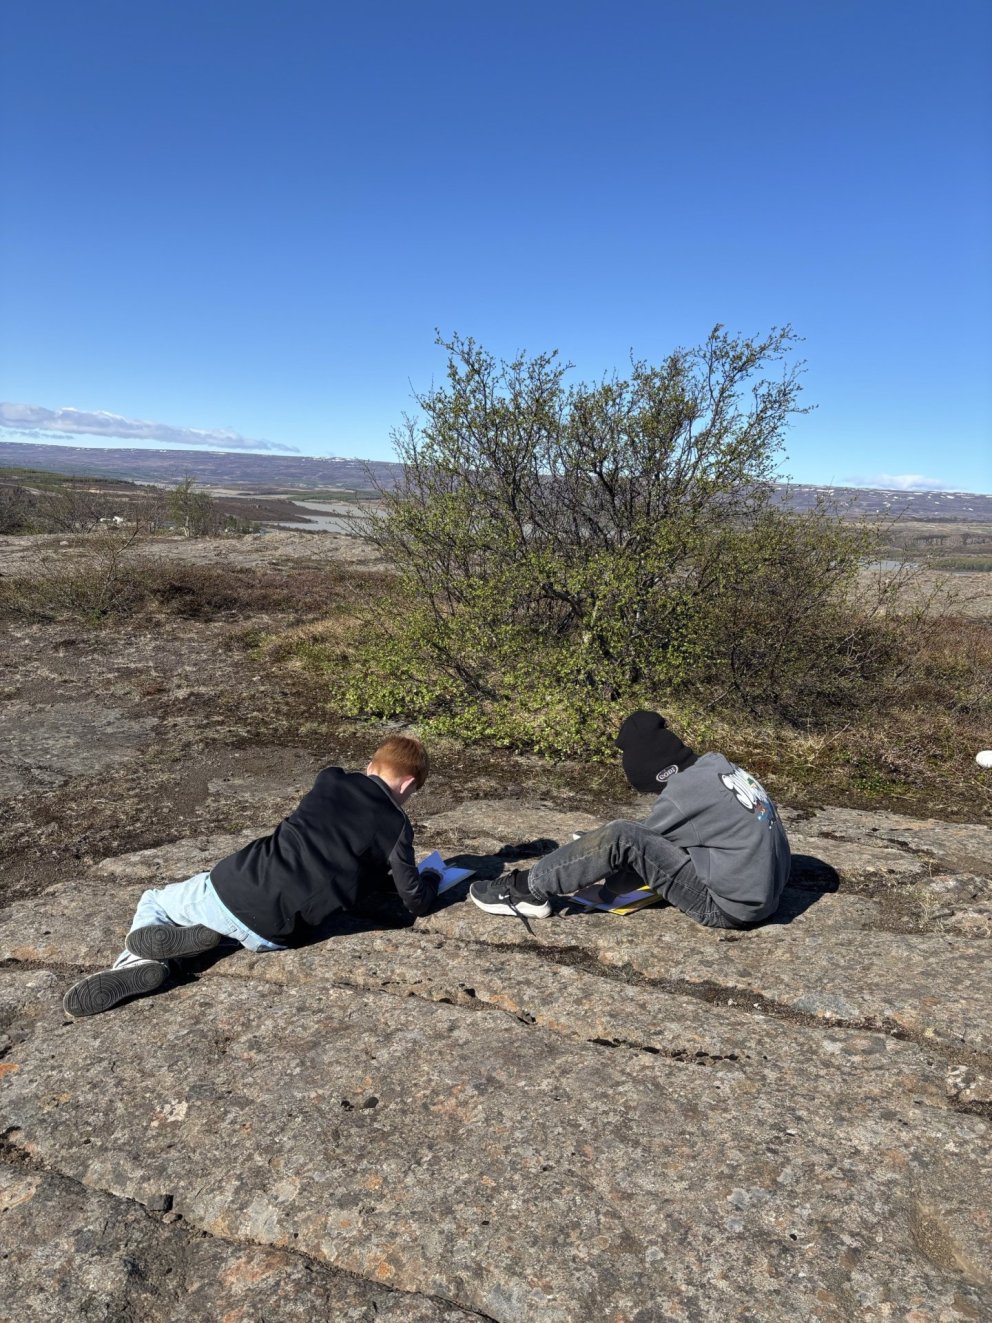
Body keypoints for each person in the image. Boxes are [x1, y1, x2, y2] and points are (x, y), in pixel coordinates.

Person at [63, 736, 438, 1017]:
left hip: (235, 885)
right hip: (275, 932)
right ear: (407, 785)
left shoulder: (332, 780)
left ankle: (139, 965)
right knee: (235, 930)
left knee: (155, 900)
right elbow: (414, 900)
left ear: (372, 766)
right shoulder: (397, 827)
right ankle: (188, 952)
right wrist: (431, 881)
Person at [470, 711, 791, 929]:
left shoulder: (681, 794)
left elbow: (628, 850)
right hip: (768, 893)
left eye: (656, 791)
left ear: (661, 774)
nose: (659, 796)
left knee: (620, 835)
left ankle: (527, 890)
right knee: (627, 836)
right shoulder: (717, 767)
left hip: (730, 908)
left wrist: (606, 883)